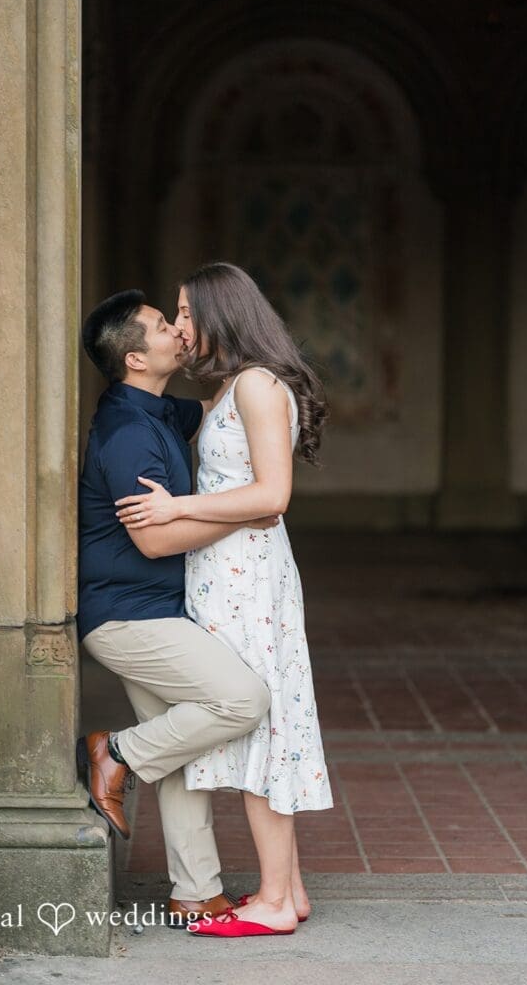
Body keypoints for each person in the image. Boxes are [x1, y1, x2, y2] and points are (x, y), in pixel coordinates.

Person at [114, 262, 335, 938]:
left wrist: (177, 505)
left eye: (185, 312)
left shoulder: (259, 386)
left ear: (220, 314)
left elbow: (272, 496)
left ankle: (271, 901)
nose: (180, 327)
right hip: (229, 576)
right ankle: (286, 891)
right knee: (261, 728)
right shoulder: (237, 385)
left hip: (247, 583)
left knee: (260, 729)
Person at [76, 288, 277, 929]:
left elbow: (222, 405)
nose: (177, 333)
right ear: (136, 357)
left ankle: (197, 891)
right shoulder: (130, 433)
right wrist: (247, 512)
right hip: (130, 616)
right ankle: (116, 752)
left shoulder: (159, 410)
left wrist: (224, 333)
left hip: (154, 609)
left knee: (183, 755)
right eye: (166, 326)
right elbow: (155, 537)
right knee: (242, 700)